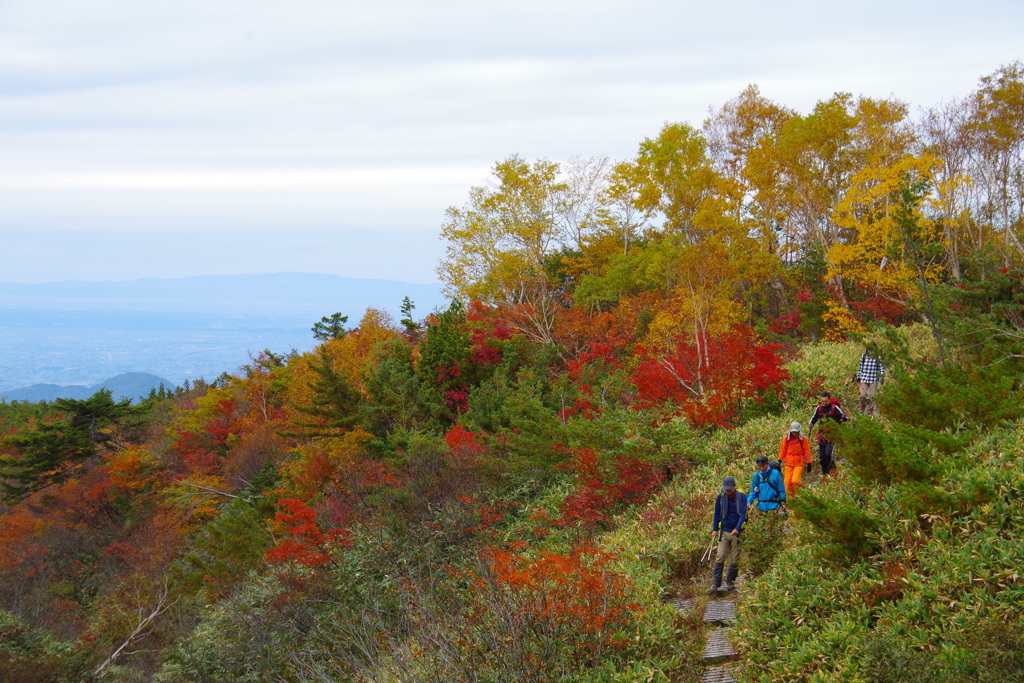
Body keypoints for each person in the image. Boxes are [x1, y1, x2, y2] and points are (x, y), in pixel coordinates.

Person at [709, 476, 747, 593]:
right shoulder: (720, 497)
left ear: (734, 486)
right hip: (724, 531)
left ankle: (730, 582)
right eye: (726, 488)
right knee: (720, 556)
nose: (728, 490)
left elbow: (743, 515)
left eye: (730, 488)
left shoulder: (742, 497)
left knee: (735, 558)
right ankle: (715, 584)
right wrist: (715, 529)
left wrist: (737, 528)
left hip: (737, 533)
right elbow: (717, 514)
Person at [809, 392, 847, 477]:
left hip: (832, 435)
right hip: (821, 435)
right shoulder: (819, 408)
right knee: (822, 457)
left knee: (828, 454)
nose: (824, 403)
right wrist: (811, 424)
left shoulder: (834, 408)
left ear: (829, 400)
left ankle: (831, 472)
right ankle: (825, 473)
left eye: (825, 401)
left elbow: (843, 419)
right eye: (822, 401)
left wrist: (844, 418)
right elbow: (814, 417)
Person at [777, 421, 812, 495]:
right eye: (793, 432)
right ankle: (791, 498)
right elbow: (783, 450)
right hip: (788, 462)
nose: (794, 433)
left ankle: (799, 494)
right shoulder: (786, 438)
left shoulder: (803, 439)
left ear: (799, 431)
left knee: (795, 480)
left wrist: (809, 462)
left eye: (796, 432)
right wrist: (779, 460)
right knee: (787, 482)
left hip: (799, 463)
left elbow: (807, 451)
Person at [856, 344, 885, 415]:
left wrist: (882, 378)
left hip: (873, 380)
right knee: (863, 395)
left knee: (873, 397)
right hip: (864, 379)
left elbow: (881, 368)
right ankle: (862, 407)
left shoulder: (878, 358)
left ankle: (870, 411)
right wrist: (858, 377)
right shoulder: (864, 357)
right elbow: (860, 368)